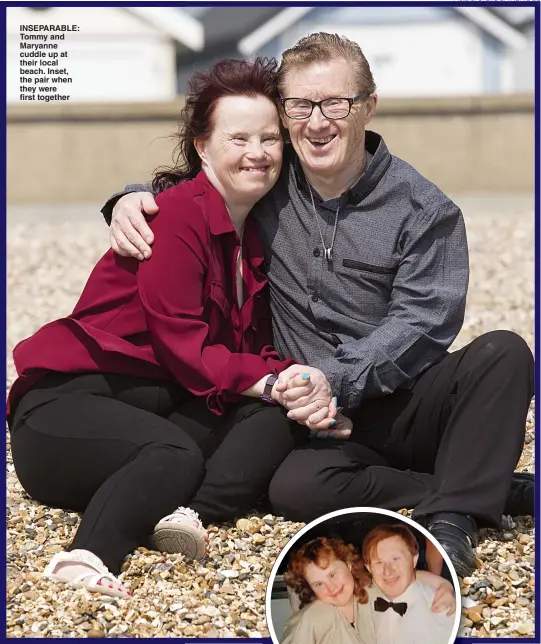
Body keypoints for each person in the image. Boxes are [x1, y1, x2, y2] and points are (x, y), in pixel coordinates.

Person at [100, 32, 535, 577]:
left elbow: (426, 320)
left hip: (401, 396)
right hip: (313, 416)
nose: (317, 122)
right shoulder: (269, 185)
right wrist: (129, 198)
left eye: (336, 103)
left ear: (368, 107)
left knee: (504, 352)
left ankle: (453, 518)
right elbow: (205, 182)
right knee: (295, 490)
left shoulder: (424, 209)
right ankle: (488, 482)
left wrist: (335, 379)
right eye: (301, 105)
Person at [7, 57, 351, 600]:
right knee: (174, 452)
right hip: (67, 408)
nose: (258, 152)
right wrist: (270, 379)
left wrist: (296, 384)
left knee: (274, 418)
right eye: (239, 137)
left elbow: (250, 353)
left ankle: (185, 515)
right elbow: (185, 349)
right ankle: (87, 555)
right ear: (202, 146)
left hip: (157, 408)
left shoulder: (254, 237)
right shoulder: (173, 219)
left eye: (269, 138)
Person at [280, 533, 456, 644]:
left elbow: (412, 575)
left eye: (332, 574)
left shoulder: (371, 589)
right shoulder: (311, 621)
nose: (331, 587)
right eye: (318, 584)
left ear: (348, 565)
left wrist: (444, 586)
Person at [360, 524, 456, 644]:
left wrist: (445, 586)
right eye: (379, 562)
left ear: (414, 560)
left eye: (396, 559)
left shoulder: (442, 607)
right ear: (369, 568)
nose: (388, 571)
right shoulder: (362, 600)